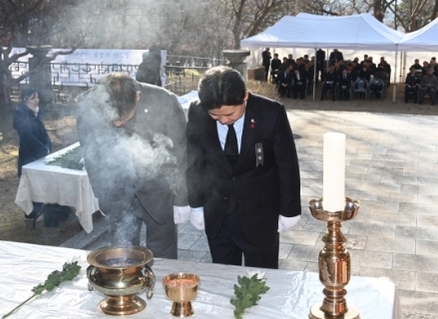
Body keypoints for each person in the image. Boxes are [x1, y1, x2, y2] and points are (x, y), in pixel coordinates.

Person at [186, 66, 301, 269]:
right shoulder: (197, 111)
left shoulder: (271, 113)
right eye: (215, 115)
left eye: (230, 114)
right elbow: (194, 161)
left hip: (260, 213)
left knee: (263, 279)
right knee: (222, 277)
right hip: (218, 212)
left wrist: (289, 210)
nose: (223, 120)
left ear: (245, 97)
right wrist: (195, 205)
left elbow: (287, 163)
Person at [76, 72, 188, 259]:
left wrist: (182, 200)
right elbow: (90, 153)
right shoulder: (88, 104)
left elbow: (181, 151)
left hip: (160, 194)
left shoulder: (165, 101)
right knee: (123, 257)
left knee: (163, 257)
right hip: (118, 194)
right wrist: (102, 193)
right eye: (113, 120)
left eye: (123, 118)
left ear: (137, 97)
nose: (118, 123)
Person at [13, 87, 52, 220]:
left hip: (40, 153)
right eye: (33, 98)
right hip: (29, 155)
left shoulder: (37, 112)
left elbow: (43, 131)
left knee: (41, 182)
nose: (37, 100)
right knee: (31, 184)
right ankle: (31, 215)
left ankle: (40, 209)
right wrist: (41, 149)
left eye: (37, 97)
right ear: (25, 100)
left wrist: (48, 145)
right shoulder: (20, 114)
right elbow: (26, 136)